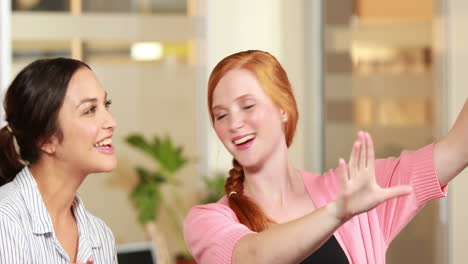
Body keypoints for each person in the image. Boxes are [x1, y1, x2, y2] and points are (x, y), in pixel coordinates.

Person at [183, 50, 468, 263]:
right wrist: (337, 212)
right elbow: (253, 256)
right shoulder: (208, 221)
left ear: (283, 108)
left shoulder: (357, 187)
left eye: (247, 106)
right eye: (221, 115)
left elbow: (457, 149)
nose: (234, 124)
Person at [0, 58, 118, 264]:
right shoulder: (5, 220)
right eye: (89, 110)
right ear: (45, 139)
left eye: (106, 104)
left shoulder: (100, 236)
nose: (111, 122)